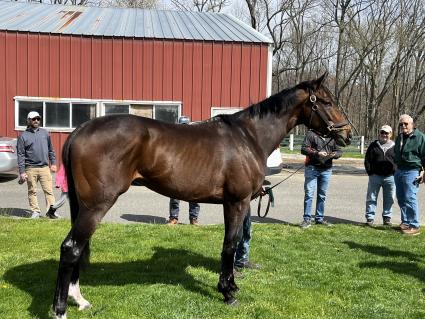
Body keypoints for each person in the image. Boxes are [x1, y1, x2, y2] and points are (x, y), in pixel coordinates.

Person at [17, 111, 57, 219]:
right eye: (34, 119)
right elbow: (20, 155)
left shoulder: (45, 133)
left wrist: (53, 163)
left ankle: (51, 212)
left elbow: (51, 150)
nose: (36, 121)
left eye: (38, 119)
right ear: (28, 120)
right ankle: (35, 211)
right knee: (32, 191)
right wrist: (22, 172)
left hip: (44, 168)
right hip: (30, 169)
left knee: (49, 191)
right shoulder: (23, 136)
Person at [300, 129, 342, 228]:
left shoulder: (332, 136)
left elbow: (339, 150)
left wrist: (335, 154)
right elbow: (303, 149)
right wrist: (317, 153)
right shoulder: (311, 134)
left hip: (326, 169)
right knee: (309, 194)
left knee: (322, 195)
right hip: (312, 168)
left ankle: (319, 218)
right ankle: (307, 219)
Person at [394, 114, 425, 236]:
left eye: (406, 124)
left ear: (412, 124)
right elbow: (396, 154)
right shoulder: (399, 137)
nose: (403, 126)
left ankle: (414, 225)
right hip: (399, 171)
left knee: (410, 197)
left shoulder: (420, 137)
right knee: (401, 197)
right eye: (401, 124)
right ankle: (405, 222)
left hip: (412, 171)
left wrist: (423, 171)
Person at [167, 116, 201, 226]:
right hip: (178, 171)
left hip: (193, 171)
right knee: (175, 195)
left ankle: (194, 219)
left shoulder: (195, 140)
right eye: (182, 126)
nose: (184, 128)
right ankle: (173, 218)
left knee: (195, 196)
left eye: (186, 125)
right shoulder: (173, 140)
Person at [364, 125, 396, 226]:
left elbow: (399, 161)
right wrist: (370, 172)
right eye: (382, 132)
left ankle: (387, 218)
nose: (384, 135)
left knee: (389, 198)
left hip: (390, 177)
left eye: (386, 133)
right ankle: (370, 218)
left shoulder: (395, 146)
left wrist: (395, 172)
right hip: (375, 176)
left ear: (390, 134)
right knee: (371, 198)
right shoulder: (374, 145)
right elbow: (367, 160)